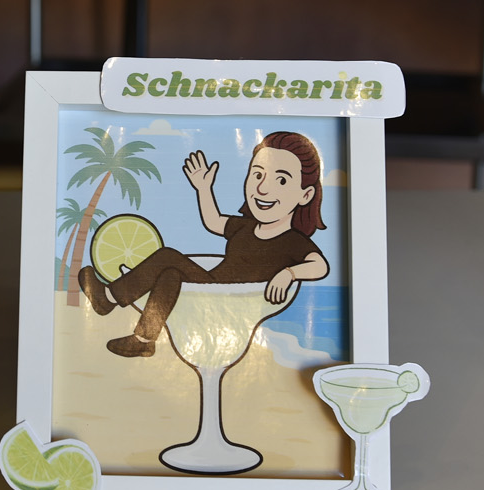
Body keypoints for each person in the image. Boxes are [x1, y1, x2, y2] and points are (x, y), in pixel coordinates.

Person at [79, 131, 330, 358]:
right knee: (170, 274)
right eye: (257, 174)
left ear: (305, 194)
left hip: (229, 302)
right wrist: (203, 188)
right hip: (210, 290)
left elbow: (320, 266)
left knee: (168, 257)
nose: (263, 188)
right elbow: (214, 221)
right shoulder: (245, 227)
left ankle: (109, 298)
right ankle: (144, 340)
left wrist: (289, 273)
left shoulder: (293, 242)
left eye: (281, 180)